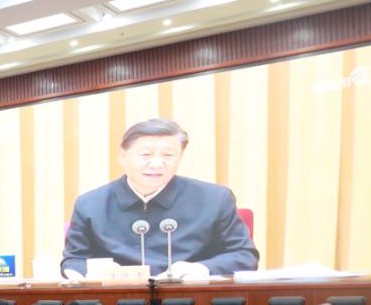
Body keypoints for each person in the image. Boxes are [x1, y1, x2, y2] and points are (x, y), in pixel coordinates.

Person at [61, 118, 259, 279]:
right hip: (115, 303)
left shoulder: (215, 199)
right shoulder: (90, 204)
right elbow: (73, 260)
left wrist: (201, 268)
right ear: (122, 156)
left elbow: (244, 256)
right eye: (146, 154)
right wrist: (98, 271)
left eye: (168, 155)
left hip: (191, 300)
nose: (157, 164)